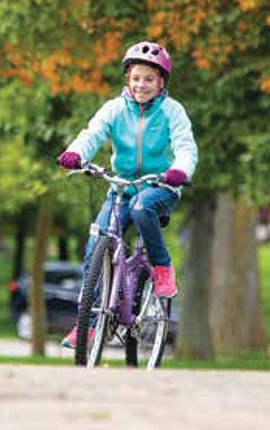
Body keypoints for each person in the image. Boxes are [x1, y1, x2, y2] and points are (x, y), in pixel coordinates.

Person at [56, 41, 198, 349]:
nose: (141, 85)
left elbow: (186, 146)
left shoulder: (173, 111)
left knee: (141, 208)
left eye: (149, 79)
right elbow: (92, 133)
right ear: (127, 79)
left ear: (161, 82)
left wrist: (180, 170)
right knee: (97, 239)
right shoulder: (114, 109)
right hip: (120, 186)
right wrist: (75, 153)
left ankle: (161, 267)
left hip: (159, 186)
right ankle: (90, 326)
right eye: (135, 78)